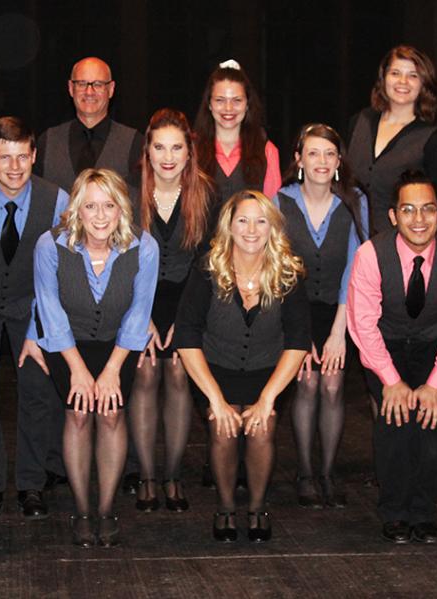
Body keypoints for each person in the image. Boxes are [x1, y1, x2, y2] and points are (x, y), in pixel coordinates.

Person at [22, 168, 158, 547]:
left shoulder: (143, 247)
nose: (100, 216)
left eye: (109, 206)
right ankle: (82, 509)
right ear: (76, 210)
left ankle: (106, 508)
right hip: (68, 344)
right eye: (91, 206)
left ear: (121, 209)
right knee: (79, 414)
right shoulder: (50, 246)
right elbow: (50, 311)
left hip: (119, 342)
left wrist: (113, 369)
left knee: (112, 414)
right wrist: (78, 370)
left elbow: (138, 313)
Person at [347, 170, 437, 543]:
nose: (418, 219)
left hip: (434, 346)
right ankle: (395, 512)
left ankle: (423, 512)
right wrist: (391, 381)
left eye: (427, 210)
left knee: (430, 426)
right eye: (408, 210)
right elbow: (363, 325)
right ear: (393, 216)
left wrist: (436, 384)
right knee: (395, 422)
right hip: (383, 346)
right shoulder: (371, 254)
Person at [176, 191, 310, 543]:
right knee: (222, 428)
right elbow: (188, 336)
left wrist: (267, 398)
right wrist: (216, 399)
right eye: (243, 220)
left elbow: (298, 340)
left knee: (262, 428)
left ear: (272, 228)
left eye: (261, 221)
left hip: (268, 370)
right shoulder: (206, 268)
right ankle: (223, 506)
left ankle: (257, 506)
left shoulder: (288, 273)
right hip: (215, 367)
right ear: (229, 226)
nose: (251, 230)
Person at [0, 117, 69, 520]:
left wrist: (34, 331)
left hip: (36, 306)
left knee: (37, 391)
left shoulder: (57, 200)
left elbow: (59, 272)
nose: (14, 167)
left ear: (34, 156)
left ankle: (31, 484)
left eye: (22, 157)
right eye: (4, 157)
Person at [275, 123, 368, 508]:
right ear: (298, 159)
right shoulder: (279, 201)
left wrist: (336, 334)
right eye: (313, 153)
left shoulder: (353, 200)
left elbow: (354, 269)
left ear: (339, 160)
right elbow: (277, 269)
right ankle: (305, 472)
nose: (322, 161)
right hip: (293, 308)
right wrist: (298, 334)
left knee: (331, 383)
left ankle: (328, 472)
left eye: (330, 154)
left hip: (338, 309)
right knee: (307, 383)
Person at [128, 108, 215, 513]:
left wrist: (184, 321)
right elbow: (121, 264)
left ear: (188, 152)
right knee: (145, 373)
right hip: (137, 301)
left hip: (189, 301)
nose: (167, 156)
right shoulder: (128, 194)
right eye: (159, 146)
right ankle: (147, 476)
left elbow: (208, 264)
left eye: (176, 147)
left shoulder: (206, 194)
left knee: (180, 373)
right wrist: (140, 316)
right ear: (147, 150)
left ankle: (174, 475)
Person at [347, 45, 437, 235]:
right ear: (384, 78)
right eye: (395, 73)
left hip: (400, 250)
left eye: (413, 75)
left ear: (424, 83)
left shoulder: (433, 140)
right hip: (350, 243)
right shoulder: (359, 122)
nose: (402, 81)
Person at [35, 57, 144, 193]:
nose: (89, 92)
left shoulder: (135, 143)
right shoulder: (47, 141)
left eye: (98, 84)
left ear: (111, 89)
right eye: (82, 83)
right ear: (70, 88)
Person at [194, 59, 282, 204]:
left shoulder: (267, 151)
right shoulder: (191, 150)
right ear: (209, 104)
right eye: (220, 100)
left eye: (237, 101)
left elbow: (272, 211)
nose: (228, 108)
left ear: (247, 104)